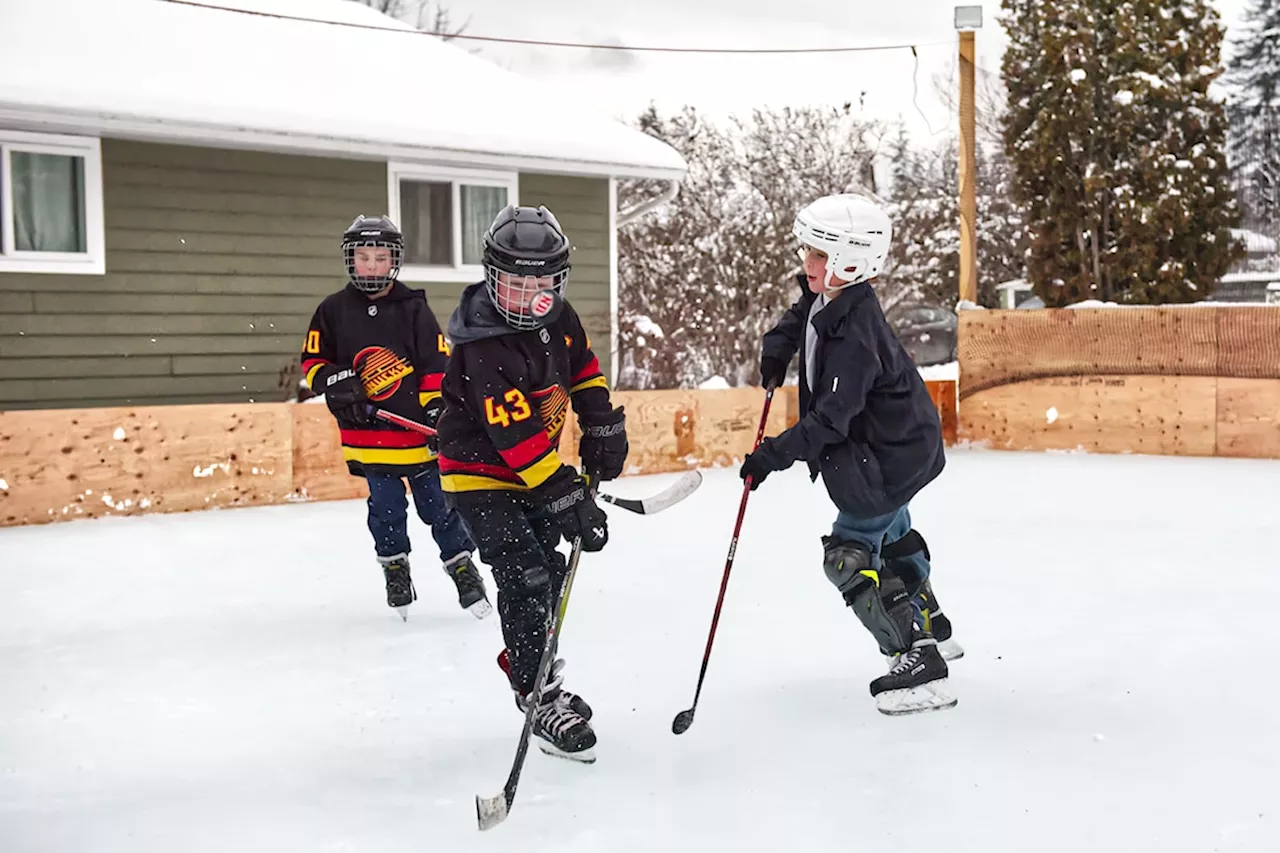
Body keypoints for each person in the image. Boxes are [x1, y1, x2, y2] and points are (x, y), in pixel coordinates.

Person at [739, 193, 961, 716]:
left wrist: (772, 455)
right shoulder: (836, 297)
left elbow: (830, 422)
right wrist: (780, 344)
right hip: (900, 445)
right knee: (893, 533)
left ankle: (917, 659)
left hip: (884, 457)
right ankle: (929, 624)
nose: (806, 264)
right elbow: (807, 309)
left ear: (851, 261)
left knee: (850, 556)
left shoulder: (856, 336)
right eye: (807, 250)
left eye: (818, 255)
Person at [437, 204, 628, 763]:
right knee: (525, 572)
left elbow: (584, 368)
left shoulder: (559, 319)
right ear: (493, 278)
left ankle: (534, 664)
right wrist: (567, 493)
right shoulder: (480, 344)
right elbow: (516, 438)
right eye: (516, 285)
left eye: (542, 284)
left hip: (533, 469)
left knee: (551, 568)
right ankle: (536, 693)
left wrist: (600, 422)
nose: (530, 297)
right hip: (478, 473)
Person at [300, 215, 492, 621]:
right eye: (364, 257)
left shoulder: (413, 309)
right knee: (385, 510)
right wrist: (333, 381)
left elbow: (434, 365)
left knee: (439, 507)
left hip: (418, 440)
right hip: (368, 439)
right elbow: (313, 361)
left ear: (394, 261)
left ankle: (461, 565)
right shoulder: (332, 311)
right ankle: (395, 568)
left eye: (380, 257)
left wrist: (439, 412)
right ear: (351, 260)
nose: (372, 265)